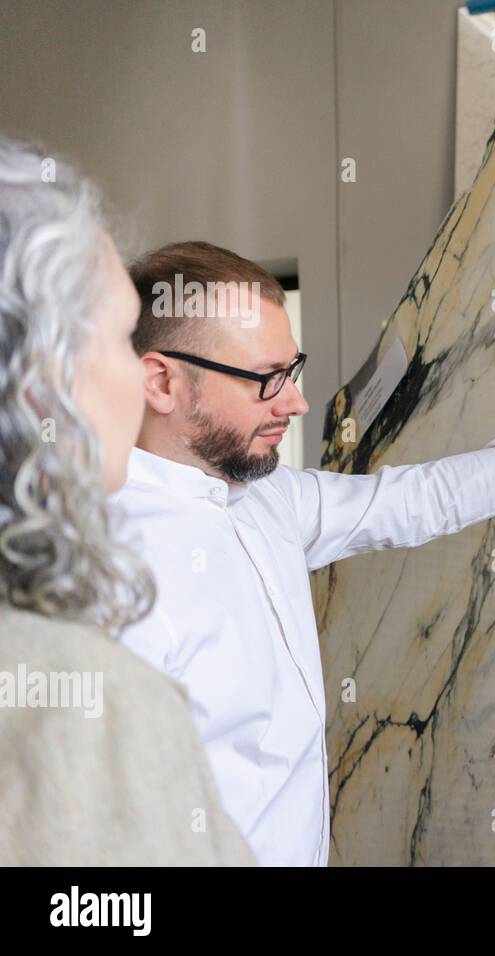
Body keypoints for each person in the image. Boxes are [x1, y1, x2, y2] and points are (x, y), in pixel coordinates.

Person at [113, 239, 495, 865]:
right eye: (266, 381)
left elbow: (424, 499)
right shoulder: (109, 576)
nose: (298, 402)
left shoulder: (272, 497)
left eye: (293, 370)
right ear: (162, 381)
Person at [0, 139, 252, 865]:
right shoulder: (91, 705)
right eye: (117, 335)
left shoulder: (276, 504)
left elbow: (406, 500)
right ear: (38, 380)